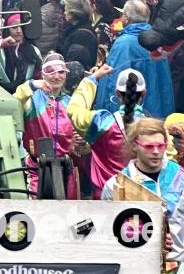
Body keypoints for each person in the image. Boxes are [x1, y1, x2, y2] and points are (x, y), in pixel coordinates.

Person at [101, 117, 184, 264]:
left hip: (179, 265)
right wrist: (145, 238)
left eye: (161, 146)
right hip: (137, 265)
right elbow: (106, 234)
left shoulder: (180, 177)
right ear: (134, 146)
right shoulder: (116, 185)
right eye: (149, 146)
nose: (156, 151)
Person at [69, 66, 146, 198]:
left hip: (104, 199)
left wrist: (92, 79)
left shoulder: (101, 124)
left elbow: (74, 110)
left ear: (117, 93)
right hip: (140, 200)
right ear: (143, 93)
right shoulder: (153, 130)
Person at [13, 52, 80, 199]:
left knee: (66, 210)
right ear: (43, 74)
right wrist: (31, 84)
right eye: (51, 72)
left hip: (65, 168)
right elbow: (14, 102)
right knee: (36, 208)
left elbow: (83, 144)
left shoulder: (71, 103)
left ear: (66, 75)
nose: (56, 76)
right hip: (37, 168)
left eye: (61, 72)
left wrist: (82, 142)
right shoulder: (32, 100)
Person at [93, 0, 174, 118]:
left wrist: (105, 118)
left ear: (126, 18)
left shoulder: (124, 45)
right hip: (157, 117)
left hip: (130, 119)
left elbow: (112, 84)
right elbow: (166, 86)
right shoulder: (156, 42)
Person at [0, 13, 42, 93]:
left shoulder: (35, 51)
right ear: (7, 29)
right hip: (2, 91)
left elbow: (38, 76)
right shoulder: (0, 49)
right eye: (14, 27)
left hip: (27, 92)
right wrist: (0, 45)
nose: (19, 31)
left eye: (22, 27)